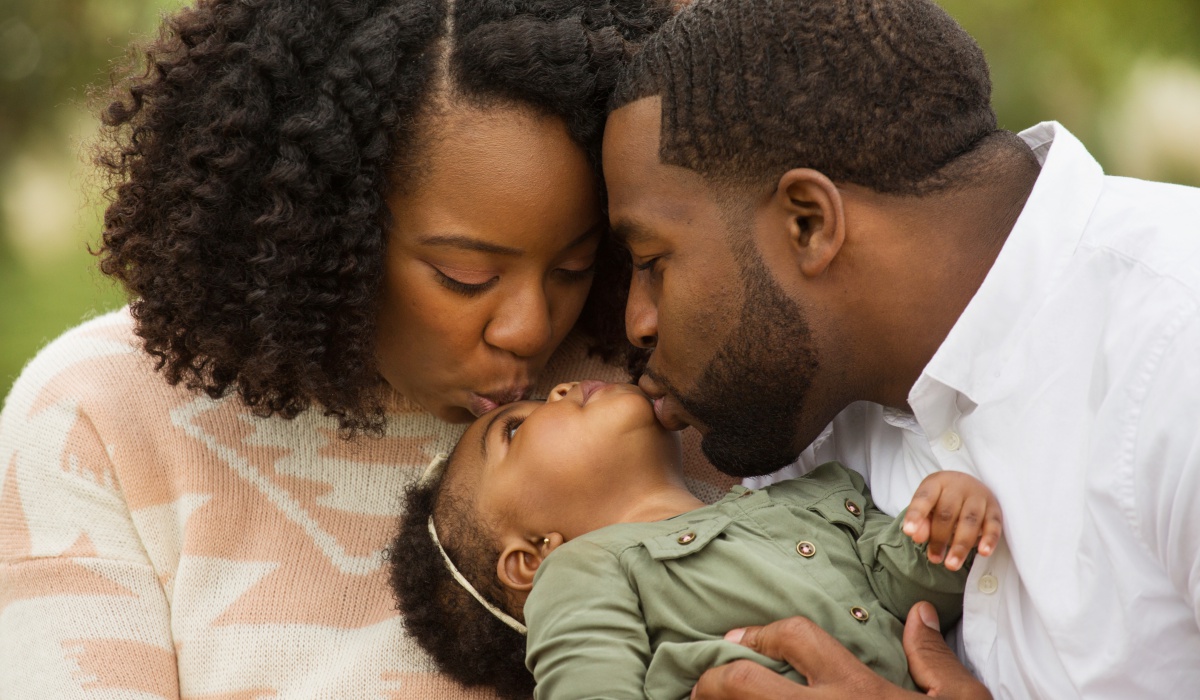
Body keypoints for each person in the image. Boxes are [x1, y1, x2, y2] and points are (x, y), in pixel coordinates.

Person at [0, 0, 740, 697]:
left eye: (574, 267)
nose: (529, 329)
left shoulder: (662, 388)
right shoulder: (96, 420)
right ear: (321, 234)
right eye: (465, 276)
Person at [602, 0, 1200, 697]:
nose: (637, 322)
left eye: (651, 261)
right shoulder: (802, 408)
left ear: (808, 224)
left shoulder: (1176, 342)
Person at [388, 380, 1004, 699]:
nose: (553, 390)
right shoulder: (584, 573)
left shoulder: (810, 492)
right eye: (514, 429)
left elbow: (913, 602)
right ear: (534, 556)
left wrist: (941, 528)